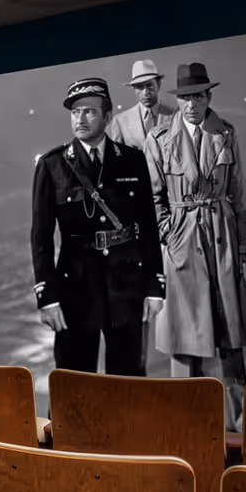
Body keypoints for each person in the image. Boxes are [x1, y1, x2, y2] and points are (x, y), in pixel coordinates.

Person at [145, 62, 246, 429]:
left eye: (197, 96)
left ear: (209, 96)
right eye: (185, 98)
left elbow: (239, 196)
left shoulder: (225, 134)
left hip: (222, 238)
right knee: (183, 333)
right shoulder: (159, 139)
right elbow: (153, 197)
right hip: (181, 241)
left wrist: (245, 250)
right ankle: (186, 420)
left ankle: (237, 421)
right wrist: (169, 232)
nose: (191, 104)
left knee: (230, 331)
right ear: (177, 101)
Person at [30, 76, 166, 377]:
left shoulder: (132, 161)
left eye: (90, 111)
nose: (81, 118)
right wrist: (47, 296)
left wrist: (155, 286)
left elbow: (147, 226)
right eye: (75, 112)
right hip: (75, 288)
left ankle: (127, 427)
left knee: (128, 378)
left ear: (107, 116)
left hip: (126, 285)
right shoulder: (53, 166)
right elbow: (40, 239)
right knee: (74, 379)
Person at [108, 59, 169, 150]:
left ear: (158, 84)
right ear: (134, 89)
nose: (145, 92)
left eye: (149, 85)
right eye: (139, 86)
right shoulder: (120, 121)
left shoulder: (175, 116)